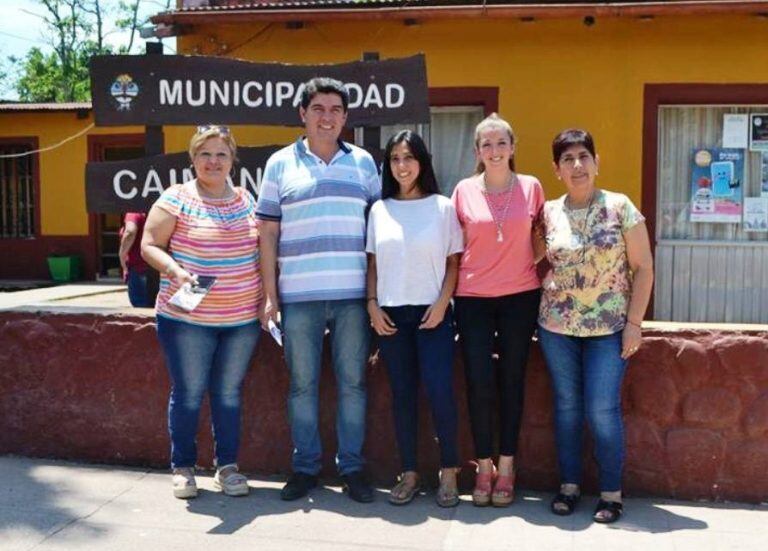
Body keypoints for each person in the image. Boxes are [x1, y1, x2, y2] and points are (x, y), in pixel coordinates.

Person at [256, 77, 380, 503]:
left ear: (345, 117)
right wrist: (270, 295)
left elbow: (377, 237)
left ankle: (353, 469)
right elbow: (268, 234)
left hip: (352, 297)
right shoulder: (279, 165)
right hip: (298, 297)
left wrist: (373, 296)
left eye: (335, 110)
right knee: (302, 386)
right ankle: (305, 468)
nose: (327, 117)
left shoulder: (364, 164)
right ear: (303, 114)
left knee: (353, 385)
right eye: (318, 109)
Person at [537, 128, 653, 523]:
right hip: (556, 328)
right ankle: (569, 486)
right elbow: (529, 255)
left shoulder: (621, 207)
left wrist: (634, 323)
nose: (577, 165)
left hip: (608, 330)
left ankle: (610, 492)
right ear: (557, 169)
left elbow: (644, 267)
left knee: (602, 410)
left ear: (596, 162)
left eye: (583, 156)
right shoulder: (549, 211)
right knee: (568, 408)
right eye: (567, 159)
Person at [141, 125, 262, 499]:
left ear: (232, 160)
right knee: (190, 393)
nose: (213, 161)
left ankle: (227, 468)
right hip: (187, 321)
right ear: (193, 159)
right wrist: (173, 269)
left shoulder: (246, 199)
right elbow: (148, 244)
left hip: (241, 320)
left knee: (228, 394)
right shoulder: (176, 198)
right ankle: (183, 468)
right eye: (205, 154)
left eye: (221, 154)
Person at [451, 113, 545, 507]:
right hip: (472, 299)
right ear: (477, 152)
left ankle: (507, 466)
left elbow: (541, 235)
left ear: (513, 147)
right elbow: (454, 249)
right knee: (479, 383)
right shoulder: (463, 191)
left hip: (520, 298)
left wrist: (524, 264)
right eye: (486, 144)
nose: (494, 151)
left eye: (501, 143)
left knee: (511, 381)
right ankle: (484, 466)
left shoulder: (531, 187)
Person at [366, 130, 463, 507]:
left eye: (409, 157)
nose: (402, 165)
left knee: (440, 393)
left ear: (422, 161)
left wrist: (442, 303)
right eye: (395, 159)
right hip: (390, 316)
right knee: (403, 396)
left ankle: (450, 471)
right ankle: (408, 472)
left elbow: (454, 263)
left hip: (432, 315)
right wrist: (372, 305)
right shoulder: (379, 209)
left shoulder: (442, 207)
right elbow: (373, 263)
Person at [119, 212, 151, 307]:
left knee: (141, 307)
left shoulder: (133, 212)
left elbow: (130, 232)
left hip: (138, 267)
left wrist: (122, 255)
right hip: (156, 267)